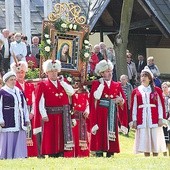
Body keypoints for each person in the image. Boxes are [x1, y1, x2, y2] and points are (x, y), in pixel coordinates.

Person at [33, 59, 75, 157]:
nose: (53, 73)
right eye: (51, 71)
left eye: (55, 71)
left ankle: (61, 152)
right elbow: (40, 101)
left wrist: (63, 82)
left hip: (62, 114)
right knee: (51, 136)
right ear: (47, 72)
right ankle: (52, 153)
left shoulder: (62, 82)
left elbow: (71, 92)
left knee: (61, 135)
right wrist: (43, 114)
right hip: (50, 114)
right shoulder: (42, 84)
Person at [90, 59, 128, 157]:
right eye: (107, 71)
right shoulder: (96, 84)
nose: (110, 73)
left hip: (112, 111)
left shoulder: (117, 84)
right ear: (101, 73)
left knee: (111, 132)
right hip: (100, 112)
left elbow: (123, 99)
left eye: (110, 71)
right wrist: (102, 84)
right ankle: (99, 151)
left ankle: (110, 152)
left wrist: (121, 100)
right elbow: (96, 97)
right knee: (100, 132)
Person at [130, 68, 167, 157]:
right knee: (145, 138)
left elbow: (160, 105)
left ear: (150, 78)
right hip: (142, 118)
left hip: (154, 118)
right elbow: (134, 106)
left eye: (145, 76)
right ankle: (146, 155)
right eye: (142, 76)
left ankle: (155, 155)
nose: (143, 78)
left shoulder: (157, 90)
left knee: (155, 137)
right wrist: (134, 120)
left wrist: (160, 118)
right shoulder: (136, 91)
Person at [10, 61, 38, 157]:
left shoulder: (30, 85)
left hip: (30, 113)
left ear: (25, 72)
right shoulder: (12, 87)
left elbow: (35, 100)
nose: (20, 74)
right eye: (18, 73)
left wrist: (32, 112)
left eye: (22, 72)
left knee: (30, 132)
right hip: (18, 114)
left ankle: (31, 153)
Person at [0, 71, 30, 159]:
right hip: (8, 118)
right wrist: (1, 119)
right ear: (6, 81)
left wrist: (26, 118)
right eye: (11, 80)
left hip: (19, 120)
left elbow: (24, 106)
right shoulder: (2, 92)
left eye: (14, 79)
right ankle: (7, 155)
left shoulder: (19, 91)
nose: (13, 81)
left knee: (20, 136)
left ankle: (19, 155)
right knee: (9, 137)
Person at [65, 82, 90, 157]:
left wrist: (87, 110)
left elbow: (88, 103)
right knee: (73, 134)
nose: (77, 86)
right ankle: (72, 152)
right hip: (74, 117)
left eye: (78, 84)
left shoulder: (86, 93)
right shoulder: (72, 94)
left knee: (83, 134)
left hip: (83, 117)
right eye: (75, 84)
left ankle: (83, 152)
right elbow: (69, 103)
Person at [161, 82, 170, 156]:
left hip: (169, 117)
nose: (164, 89)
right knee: (164, 135)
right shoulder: (160, 96)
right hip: (163, 117)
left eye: (165, 87)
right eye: (163, 87)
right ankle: (164, 153)